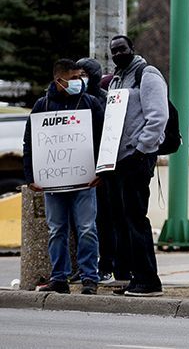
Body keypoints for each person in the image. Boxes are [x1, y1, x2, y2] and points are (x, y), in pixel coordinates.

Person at [23, 60, 104, 294]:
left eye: (81, 77)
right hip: (53, 183)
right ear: (59, 80)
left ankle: (90, 277)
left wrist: (101, 171)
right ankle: (59, 278)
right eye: (75, 78)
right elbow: (30, 144)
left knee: (87, 228)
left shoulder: (89, 103)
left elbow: (102, 139)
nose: (80, 82)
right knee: (56, 229)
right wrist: (31, 177)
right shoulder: (42, 106)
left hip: (85, 180)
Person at [105, 35, 168, 297]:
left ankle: (149, 281)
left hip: (137, 158)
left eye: (122, 49)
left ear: (132, 49)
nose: (118, 53)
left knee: (136, 220)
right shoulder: (117, 79)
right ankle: (136, 278)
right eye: (114, 50)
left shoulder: (147, 73)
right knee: (125, 221)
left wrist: (142, 150)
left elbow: (158, 116)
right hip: (119, 160)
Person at [76, 57, 116, 284]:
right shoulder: (74, 101)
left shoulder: (103, 101)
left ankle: (106, 265)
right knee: (80, 223)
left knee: (103, 221)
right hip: (79, 169)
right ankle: (84, 267)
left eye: (84, 74)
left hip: (101, 171)